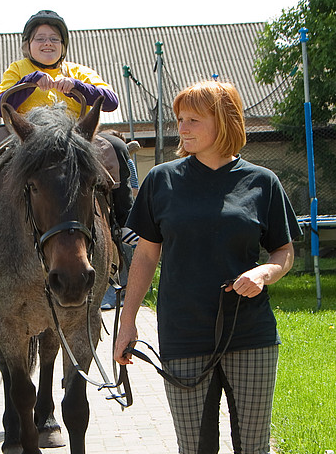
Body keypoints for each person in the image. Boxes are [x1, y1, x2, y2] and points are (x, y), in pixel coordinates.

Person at [113, 79, 300, 454]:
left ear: (225, 122)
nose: (182, 128)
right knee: (195, 447)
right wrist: (127, 321)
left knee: (254, 446)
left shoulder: (262, 182)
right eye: (180, 119)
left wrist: (264, 273)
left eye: (194, 120)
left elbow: (284, 252)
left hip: (250, 334)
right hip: (183, 333)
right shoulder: (161, 180)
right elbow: (147, 256)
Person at [0, 10, 135, 238]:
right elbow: (1, 105)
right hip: (24, 134)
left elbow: (111, 102)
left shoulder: (79, 71)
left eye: (54, 38)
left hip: (71, 136)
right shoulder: (17, 69)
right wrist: (30, 82)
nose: (47, 43)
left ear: (63, 45)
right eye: (40, 38)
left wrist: (78, 86)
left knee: (116, 146)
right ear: (27, 45)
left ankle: (126, 221)